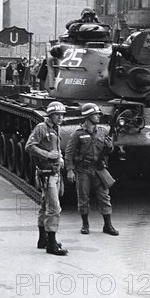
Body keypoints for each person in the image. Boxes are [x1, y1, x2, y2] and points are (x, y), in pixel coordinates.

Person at [65, 103, 118, 236]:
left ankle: (108, 225)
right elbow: (69, 153)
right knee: (83, 197)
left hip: (99, 168)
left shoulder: (103, 131)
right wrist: (70, 170)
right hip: (83, 169)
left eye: (98, 114)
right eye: (95, 114)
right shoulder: (77, 134)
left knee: (104, 196)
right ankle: (85, 224)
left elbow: (108, 151)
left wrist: (110, 146)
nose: (98, 116)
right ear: (88, 116)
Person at [25, 101, 68, 255]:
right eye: (57, 115)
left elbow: (56, 147)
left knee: (45, 206)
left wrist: (60, 158)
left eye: (62, 115)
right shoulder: (41, 128)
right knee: (54, 208)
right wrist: (48, 155)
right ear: (50, 115)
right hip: (46, 173)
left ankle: (43, 239)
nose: (60, 117)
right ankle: (51, 245)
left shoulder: (56, 128)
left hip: (54, 172)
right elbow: (29, 146)